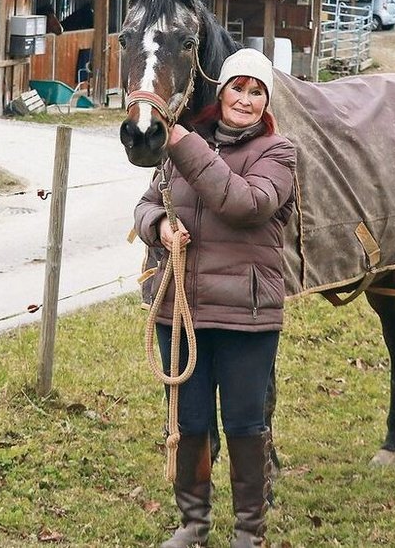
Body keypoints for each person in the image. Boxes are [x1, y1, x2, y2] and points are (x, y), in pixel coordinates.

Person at [134, 47, 296, 548]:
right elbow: (144, 205)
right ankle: (193, 525)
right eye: (236, 88)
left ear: (266, 103)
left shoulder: (277, 154)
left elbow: (245, 203)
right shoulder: (187, 147)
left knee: (246, 421)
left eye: (256, 92)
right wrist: (158, 226)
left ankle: (249, 531)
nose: (244, 100)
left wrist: (183, 143)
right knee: (189, 420)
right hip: (179, 310)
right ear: (221, 92)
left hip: (245, 314)